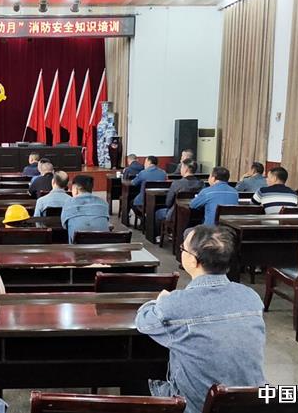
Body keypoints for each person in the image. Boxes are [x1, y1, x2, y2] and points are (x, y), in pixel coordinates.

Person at [135, 225, 265, 413]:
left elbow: (143, 321)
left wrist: (159, 301)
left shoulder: (175, 304)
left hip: (197, 407)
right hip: (251, 403)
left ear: (193, 260)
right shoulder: (250, 297)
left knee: (137, 377)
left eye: (183, 248)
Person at [154, 159, 205, 236]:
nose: (180, 169)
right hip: (196, 214)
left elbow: (168, 203)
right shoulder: (201, 183)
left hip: (177, 215)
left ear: (186, 169)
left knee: (158, 213)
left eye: (181, 167)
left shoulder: (177, 183)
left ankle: (158, 236)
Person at [61, 175, 110, 243]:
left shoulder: (68, 203)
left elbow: (64, 226)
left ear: (76, 189)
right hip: (102, 245)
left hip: (77, 247)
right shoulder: (103, 203)